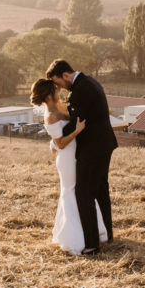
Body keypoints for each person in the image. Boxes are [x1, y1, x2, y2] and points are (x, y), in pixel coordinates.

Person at [46, 59, 117, 255]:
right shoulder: (90, 81)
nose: (59, 87)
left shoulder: (80, 90)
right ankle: (106, 234)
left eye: (58, 82)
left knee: (83, 193)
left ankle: (92, 244)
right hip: (104, 144)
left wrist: (56, 140)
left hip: (93, 148)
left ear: (66, 76)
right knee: (101, 190)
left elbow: (77, 122)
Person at [31, 78, 107, 255]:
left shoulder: (61, 106)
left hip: (77, 153)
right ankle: (73, 237)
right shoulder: (50, 115)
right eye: (55, 89)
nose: (59, 90)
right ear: (48, 94)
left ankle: (91, 231)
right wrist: (77, 131)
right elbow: (61, 143)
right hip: (66, 157)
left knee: (82, 190)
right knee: (70, 191)